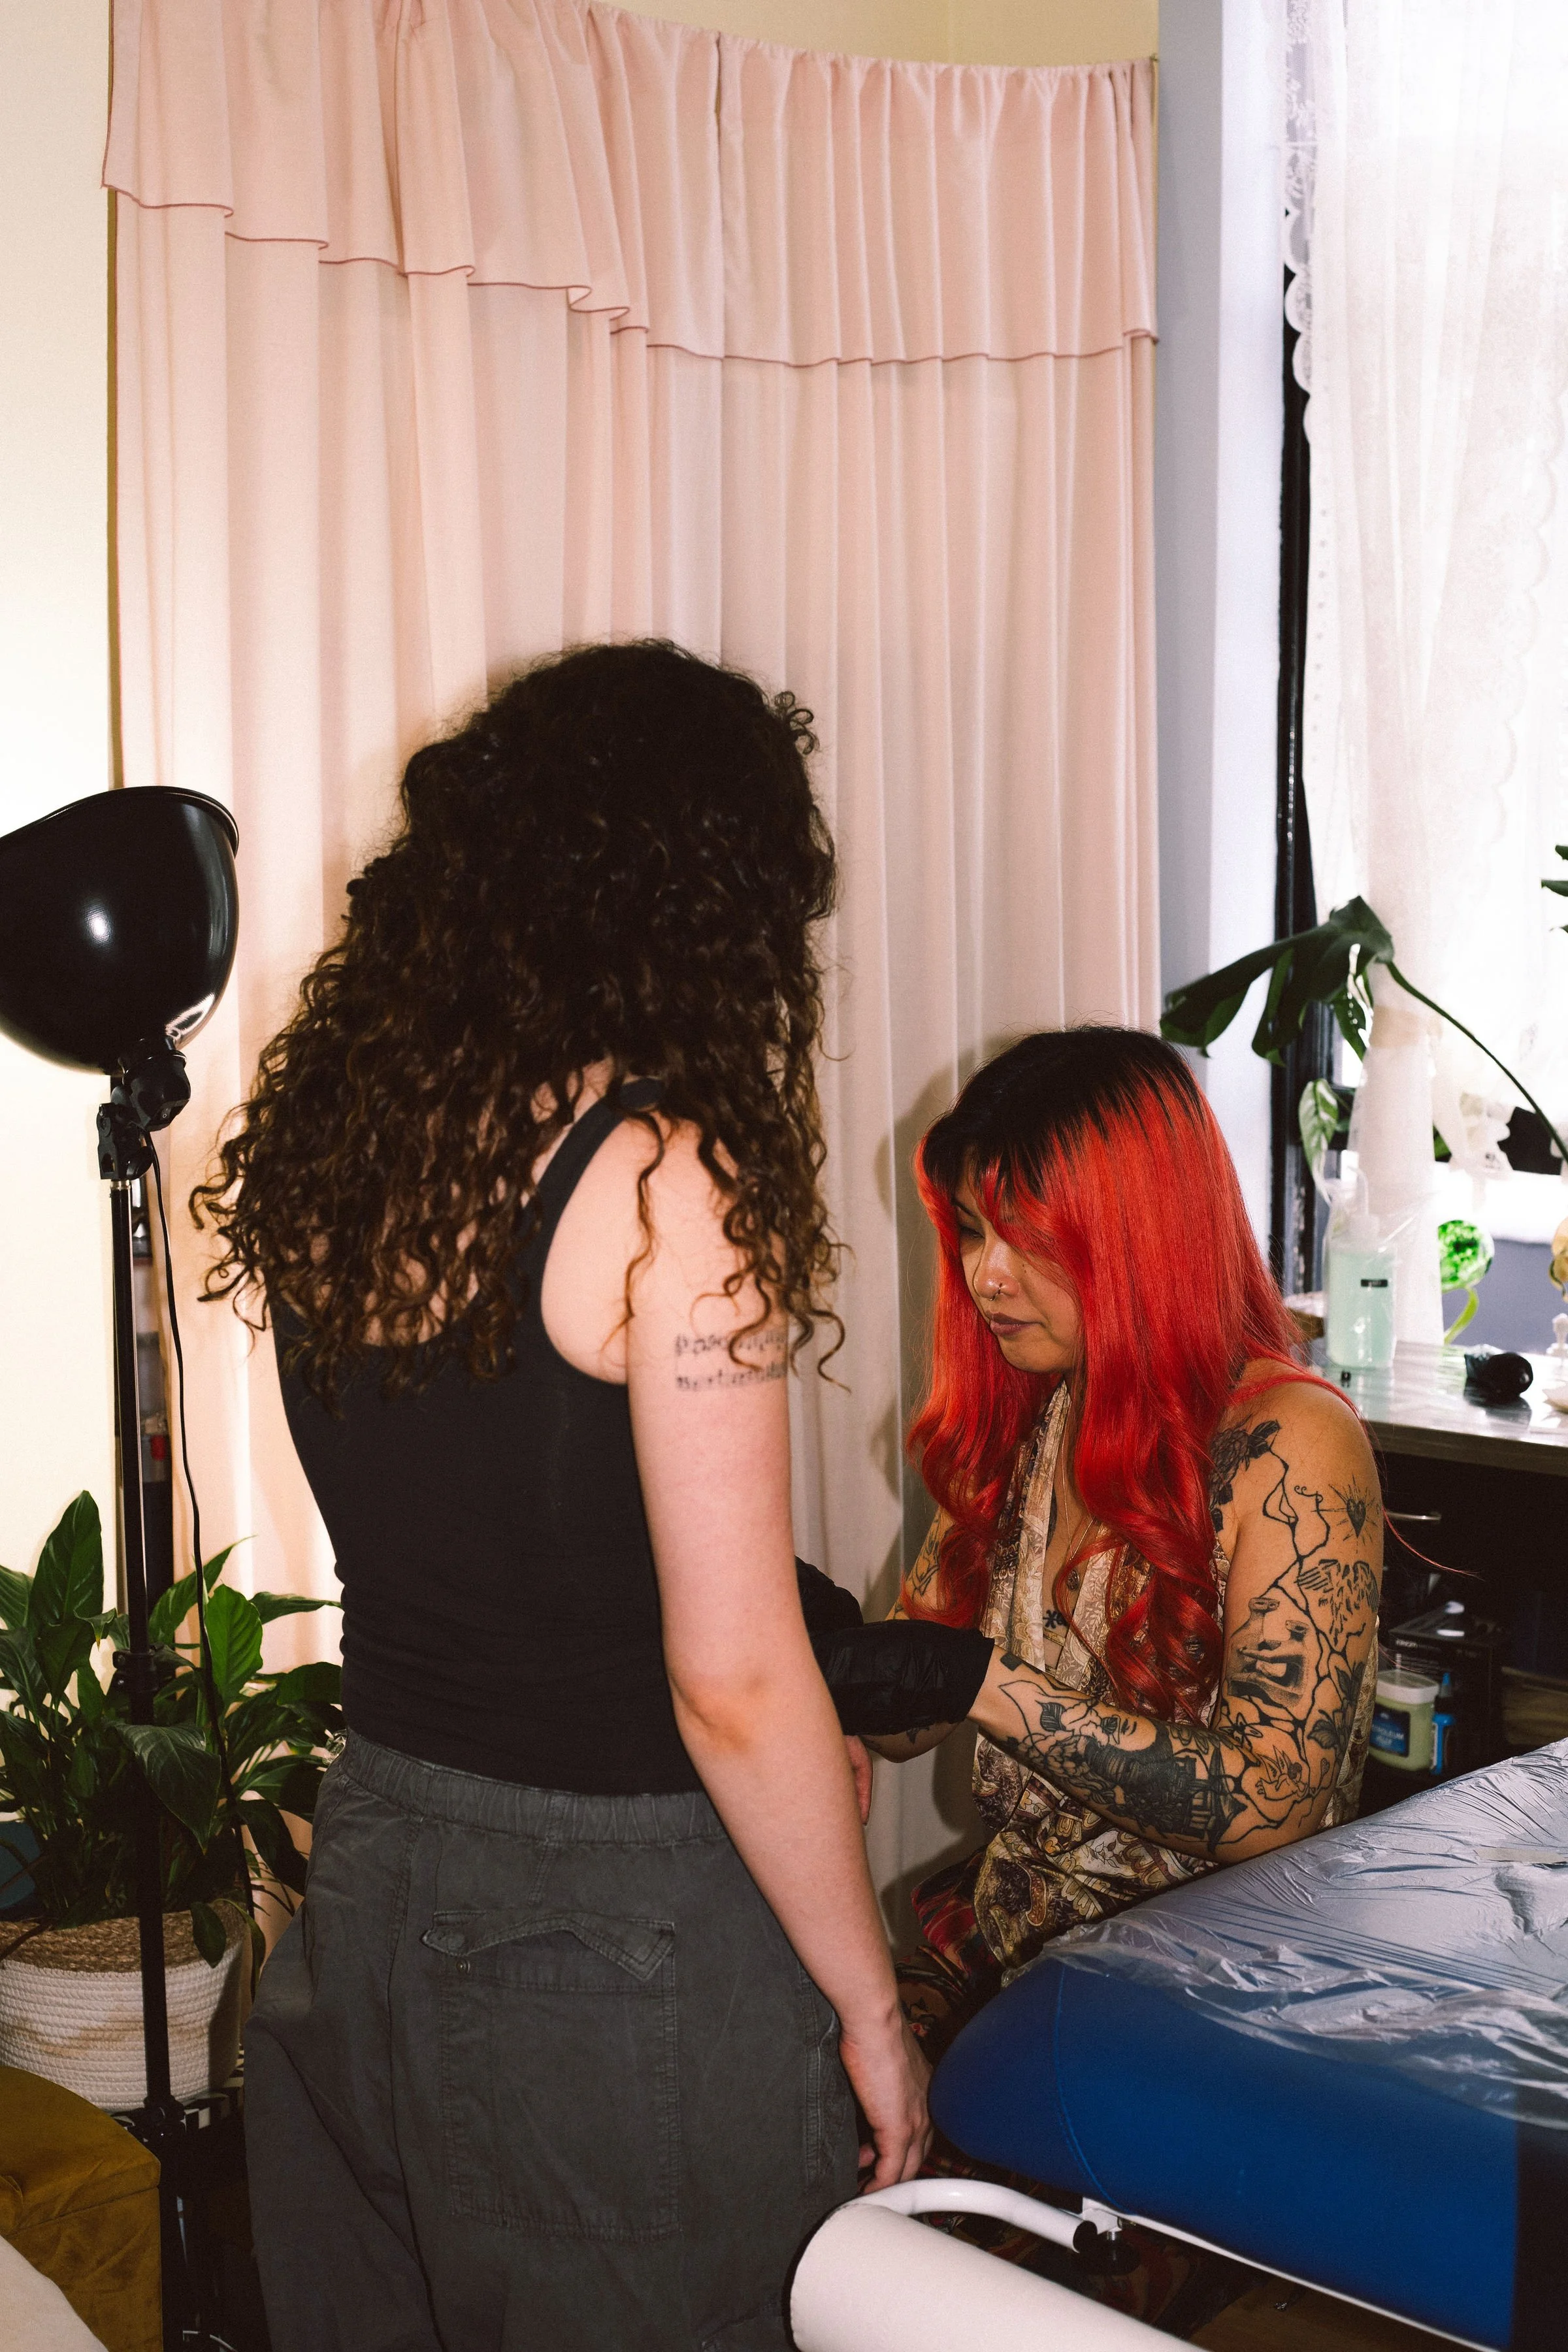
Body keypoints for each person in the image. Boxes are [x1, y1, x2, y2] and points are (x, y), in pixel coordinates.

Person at [193, 640, 928, 2352]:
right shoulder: (672, 1181)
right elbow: (735, 1682)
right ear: (708, 896)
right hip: (613, 1944)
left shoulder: (351, 1154)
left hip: (369, 1871)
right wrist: (876, 2005)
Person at [811, 1027, 1380, 2065]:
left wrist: (982, 1685)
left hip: (1215, 1992)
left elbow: (1272, 1809)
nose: (985, 1277)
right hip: (1017, 1951)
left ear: (1140, 1233)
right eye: (975, 1232)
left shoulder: (1291, 1444)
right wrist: (801, 1626)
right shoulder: (1032, 1415)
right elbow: (905, 1716)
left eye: (1027, 1238)